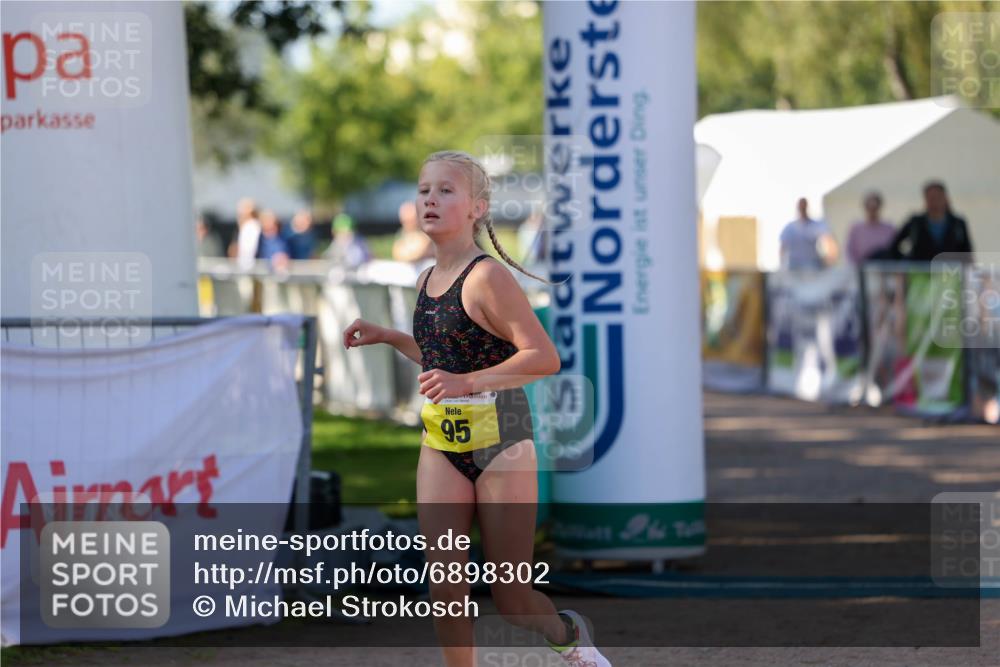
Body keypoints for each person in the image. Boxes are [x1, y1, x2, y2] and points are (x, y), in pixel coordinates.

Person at [342, 151, 610, 667]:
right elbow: (445, 357)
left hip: (504, 433)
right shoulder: (424, 280)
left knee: (511, 600)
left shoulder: (487, 277)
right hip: (442, 441)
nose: (430, 200)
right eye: (423, 190)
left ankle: (567, 635)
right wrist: (392, 337)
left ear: (477, 207)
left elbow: (544, 357)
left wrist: (466, 382)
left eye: (445, 190)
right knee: (445, 586)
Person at [884, 181, 973, 261]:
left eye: (937, 198)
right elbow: (894, 246)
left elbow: (967, 252)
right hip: (921, 274)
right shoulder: (915, 223)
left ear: (945, 198)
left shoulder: (958, 223)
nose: (934, 202)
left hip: (949, 274)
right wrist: (905, 263)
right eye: (930, 198)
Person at [779, 197, 838, 270]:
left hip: (812, 264)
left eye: (804, 206)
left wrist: (830, 259)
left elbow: (828, 240)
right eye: (801, 206)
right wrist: (781, 267)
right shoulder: (790, 228)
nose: (802, 209)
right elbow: (782, 247)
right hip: (794, 266)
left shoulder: (816, 225)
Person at [845, 191, 896, 264]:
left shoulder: (889, 228)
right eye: (869, 207)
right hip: (862, 270)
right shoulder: (856, 228)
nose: (872, 211)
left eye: (875, 208)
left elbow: (893, 251)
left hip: (884, 270)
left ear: (879, 207)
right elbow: (849, 252)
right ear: (865, 207)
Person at [229, 197, 262, 271]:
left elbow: (250, 249)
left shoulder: (252, 226)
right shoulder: (246, 226)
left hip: (250, 267)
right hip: (245, 265)